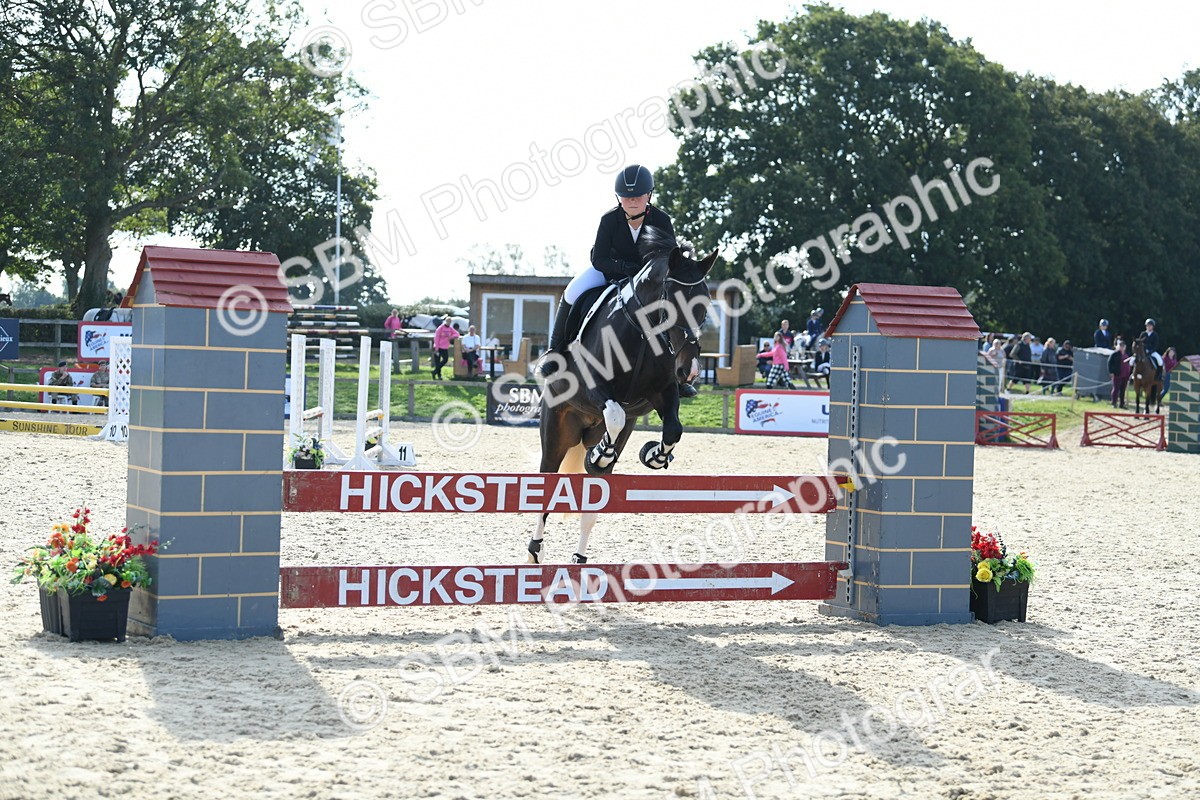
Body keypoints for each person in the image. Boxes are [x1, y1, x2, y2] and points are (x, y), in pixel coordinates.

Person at [542, 165, 696, 395]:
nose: (632, 200)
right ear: (618, 198)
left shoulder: (662, 220)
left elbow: (669, 259)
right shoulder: (609, 220)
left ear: (649, 195)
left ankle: (673, 376)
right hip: (609, 272)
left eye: (638, 196)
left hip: (648, 281)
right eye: (626, 197)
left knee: (671, 308)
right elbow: (600, 259)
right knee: (572, 292)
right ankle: (555, 352)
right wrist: (623, 267)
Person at [431, 315, 459, 380]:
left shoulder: (450, 328)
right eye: (448, 321)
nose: (448, 323)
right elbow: (436, 338)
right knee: (437, 361)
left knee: (445, 360)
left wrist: (451, 336)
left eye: (450, 322)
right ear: (445, 321)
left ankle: (434, 371)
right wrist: (436, 348)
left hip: (445, 347)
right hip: (438, 347)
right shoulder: (440, 328)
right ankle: (438, 375)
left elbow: (457, 334)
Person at [1108, 338, 1132, 409]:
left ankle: (1122, 403)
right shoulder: (1115, 354)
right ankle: (1114, 402)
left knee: (1123, 390)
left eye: (1123, 346)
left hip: (1125, 374)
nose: (1122, 347)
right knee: (1116, 388)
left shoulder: (1126, 354)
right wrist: (1111, 372)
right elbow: (1109, 363)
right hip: (1118, 374)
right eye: (1120, 346)